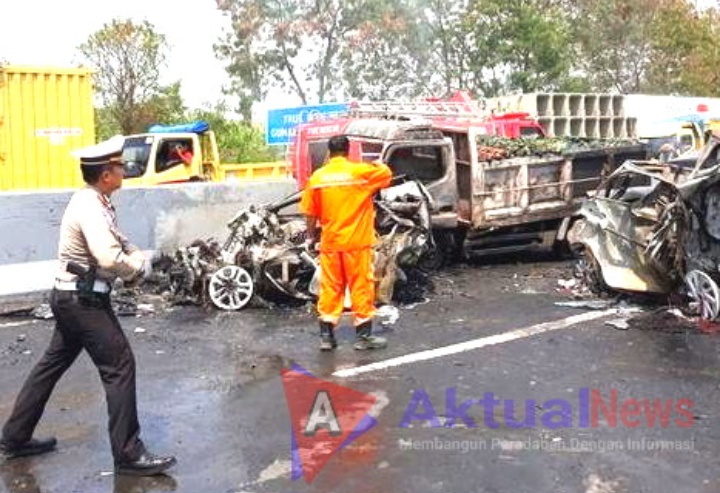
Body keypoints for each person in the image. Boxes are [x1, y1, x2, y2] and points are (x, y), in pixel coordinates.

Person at [0, 136, 176, 476]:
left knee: (50, 365)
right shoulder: (90, 206)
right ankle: (128, 453)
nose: (124, 169)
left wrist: (137, 254)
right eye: (119, 166)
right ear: (106, 175)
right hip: (83, 301)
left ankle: (15, 436)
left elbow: (119, 242)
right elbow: (108, 255)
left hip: (73, 297)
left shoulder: (96, 202)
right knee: (120, 365)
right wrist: (138, 267)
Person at [300, 135, 393, 351]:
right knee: (360, 287)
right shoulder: (360, 173)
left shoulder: (318, 178)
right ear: (348, 151)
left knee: (330, 288)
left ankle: (326, 337)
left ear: (329, 152)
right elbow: (387, 174)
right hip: (356, 243)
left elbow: (310, 213)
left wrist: (311, 236)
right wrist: (377, 163)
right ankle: (363, 337)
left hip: (331, 243)